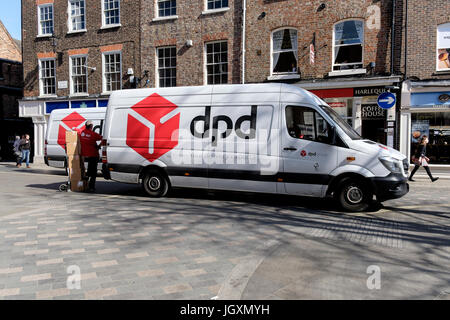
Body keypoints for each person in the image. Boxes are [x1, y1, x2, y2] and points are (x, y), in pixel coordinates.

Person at [77, 120, 102, 192]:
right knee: (93, 172)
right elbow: (103, 139)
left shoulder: (81, 133)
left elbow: (74, 129)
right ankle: (91, 187)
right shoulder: (93, 134)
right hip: (93, 155)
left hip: (85, 155)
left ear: (85, 126)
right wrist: (98, 146)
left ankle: (85, 184)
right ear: (91, 126)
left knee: (88, 171)